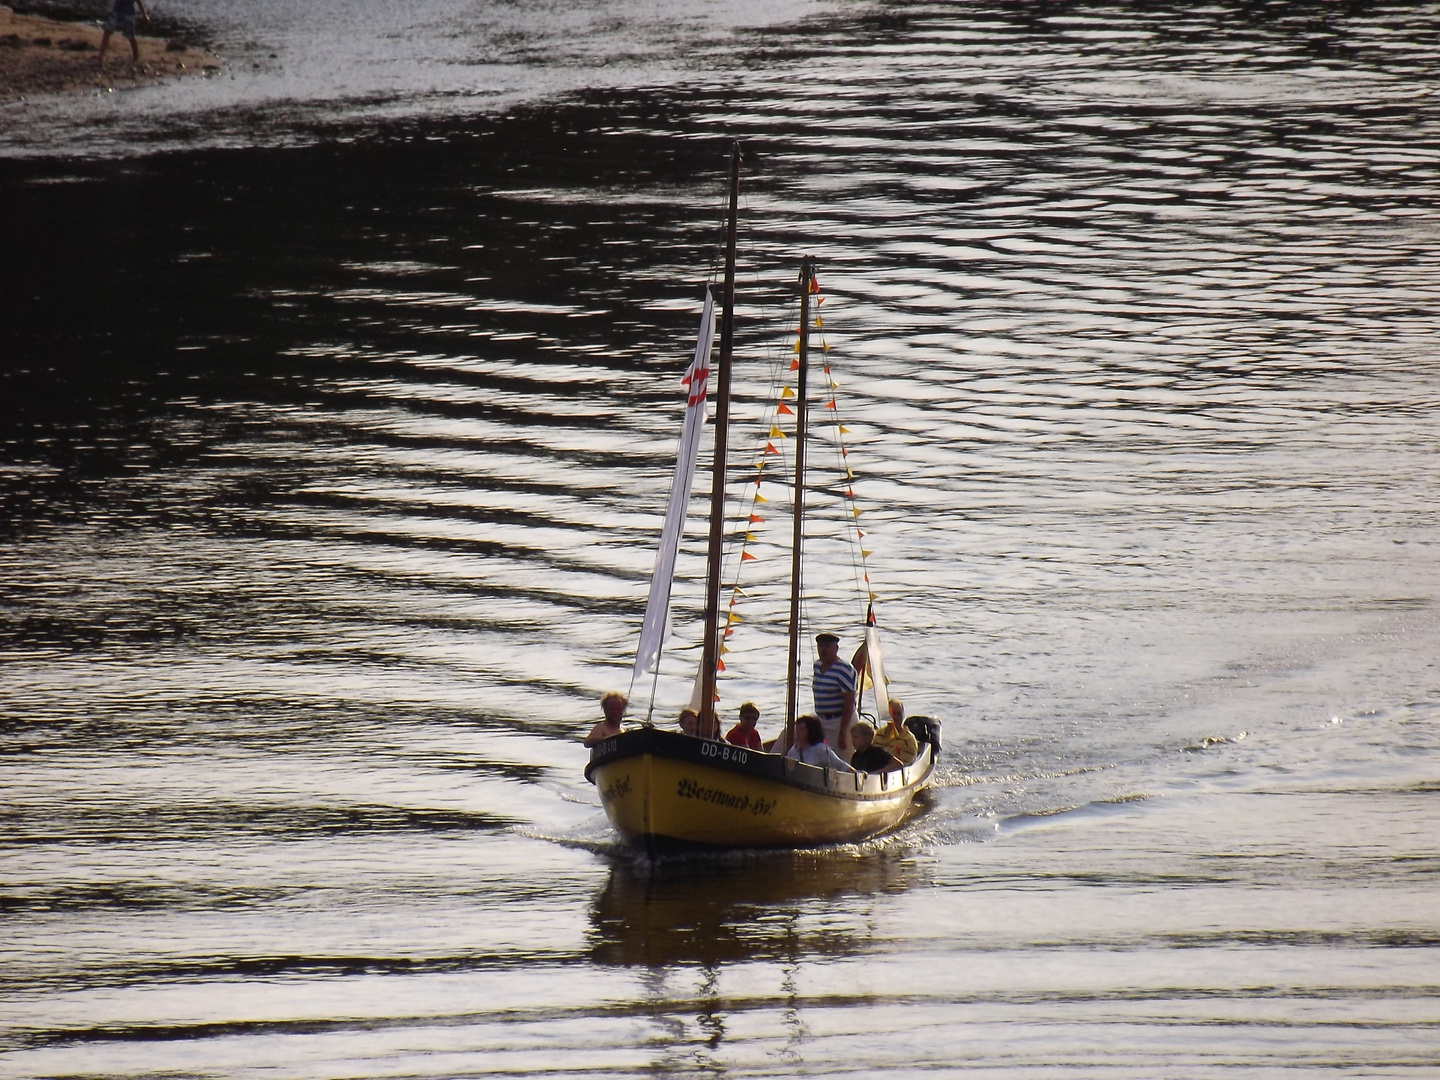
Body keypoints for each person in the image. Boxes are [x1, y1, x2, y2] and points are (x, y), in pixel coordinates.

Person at [811, 632, 858, 754]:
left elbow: (849, 702)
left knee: (843, 758)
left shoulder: (844, 669)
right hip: (821, 720)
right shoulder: (817, 665)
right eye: (820, 646)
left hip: (840, 721)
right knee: (792, 733)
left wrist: (842, 733)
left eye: (827, 646)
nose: (823, 649)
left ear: (836, 649)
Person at [784, 715, 855, 772]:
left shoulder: (821, 749)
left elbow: (839, 764)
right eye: (797, 729)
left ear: (811, 732)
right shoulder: (793, 750)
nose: (797, 732)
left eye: (801, 729)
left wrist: (856, 774)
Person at [98, 0, 150, 66]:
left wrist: (144, 14)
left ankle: (136, 57)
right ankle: (101, 55)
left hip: (128, 13)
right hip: (116, 11)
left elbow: (138, 1)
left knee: (131, 36)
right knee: (107, 31)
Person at [873, 698, 920, 766]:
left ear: (903, 715)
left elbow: (905, 766)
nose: (896, 717)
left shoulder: (908, 740)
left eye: (899, 714)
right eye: (893, 714)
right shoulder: (878, 735)